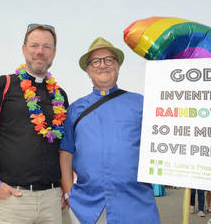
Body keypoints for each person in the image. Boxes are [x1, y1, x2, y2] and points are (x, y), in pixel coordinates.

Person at [0, 24, 69, 224]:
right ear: (24, 49)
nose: (40, 51)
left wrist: (63, 188)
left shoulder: (60, 95)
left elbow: (62, 147)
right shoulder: (3, 84)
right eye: (34, 45)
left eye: (46, 47)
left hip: (51, 200)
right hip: (10, 198)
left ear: (54, 53)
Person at [59, 37, 160, 224]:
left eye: (108, 60)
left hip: (136, 205)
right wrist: (68, 193)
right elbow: (66, 153)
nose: (102, 65)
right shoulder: (75, 109)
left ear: (118, 66)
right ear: (88, 70)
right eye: (96, 61)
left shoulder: (140, 103)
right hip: (87, 208)